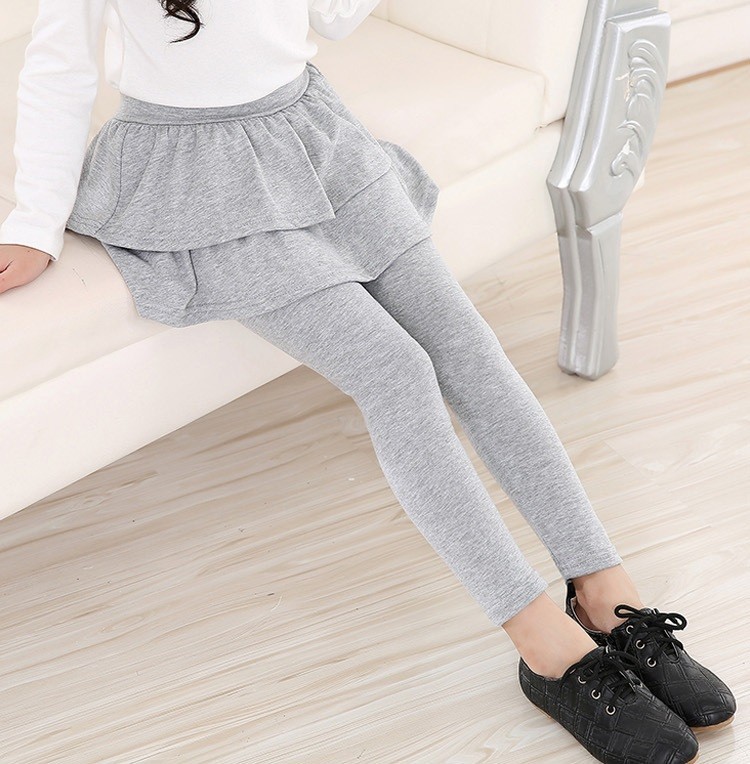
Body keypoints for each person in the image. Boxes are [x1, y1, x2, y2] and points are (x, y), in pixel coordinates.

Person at [0, 2, 735, 761]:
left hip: (311, 136)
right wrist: (34, 222)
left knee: (468, 348)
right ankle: (543, 644)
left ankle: (607, 593)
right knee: (396, 372)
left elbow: (332, 18)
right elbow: (59, 65)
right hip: (191, 181)